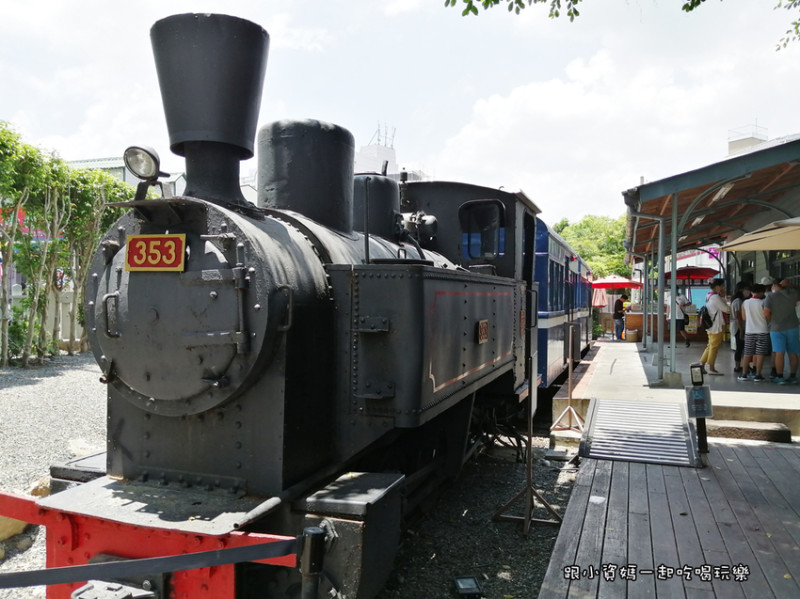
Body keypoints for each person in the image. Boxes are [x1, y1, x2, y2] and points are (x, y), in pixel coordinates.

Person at [762, 278, 800, 384]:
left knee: (779, 353)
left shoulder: (771, 296)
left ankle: (780, 376)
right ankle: (793, 376)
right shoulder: (793, 294)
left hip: (776, 328)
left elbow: (766, 313)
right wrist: (790, 285)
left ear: (775, 285)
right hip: (793, 326)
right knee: (793, 353)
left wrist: (771, 322)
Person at [738, 284, 770, 382]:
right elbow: (767, 316)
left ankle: (744, 374)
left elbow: (744, 318)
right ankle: (758, 375)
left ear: (751, 292)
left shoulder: (745, 303)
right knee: (760, 354)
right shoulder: (764, 302)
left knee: (747, 353)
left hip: (749, 331)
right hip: (762, 331)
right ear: (762, 292)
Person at [699, 279, 730, 375]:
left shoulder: (709, 295)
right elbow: (726, 309)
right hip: (716, 326)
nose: (723, 288)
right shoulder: (715, 297)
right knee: (714, 347)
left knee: (710, 346)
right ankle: (711, 367)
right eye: (721, 286)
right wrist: (727, 301)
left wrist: (723, 296)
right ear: (717, 287)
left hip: (710, 325)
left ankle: (702, 364)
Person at [729, 281, 751, 373]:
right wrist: (741, 329)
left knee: (740, 347)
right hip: (738, 326)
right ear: (741, 290)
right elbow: (739, 316)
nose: (748, 291)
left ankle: (739, 366)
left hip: (737, 325)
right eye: (747, 289)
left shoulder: (737, 300)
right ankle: (737, 366)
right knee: (740, 347)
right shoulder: (738, 301)